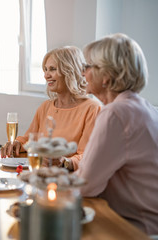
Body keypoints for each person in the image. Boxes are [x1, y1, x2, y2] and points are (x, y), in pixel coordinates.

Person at [76, 33, 158, 234]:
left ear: (106, 76)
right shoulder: (143, 107)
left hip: (134, 228)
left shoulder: (115, 113)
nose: (84, 73)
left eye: (88, 67)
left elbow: (86, 185)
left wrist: (48, 183)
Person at [0, 46, 101, 171]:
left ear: (70, 70)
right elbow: (30, 140)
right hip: (41, 176)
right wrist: (16, 144)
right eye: (45, 70)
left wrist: (65, 162)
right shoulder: (45, 107)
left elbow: (88, 156)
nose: (46, 75)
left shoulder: (92, 109)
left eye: (52, 69)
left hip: (70, 181)